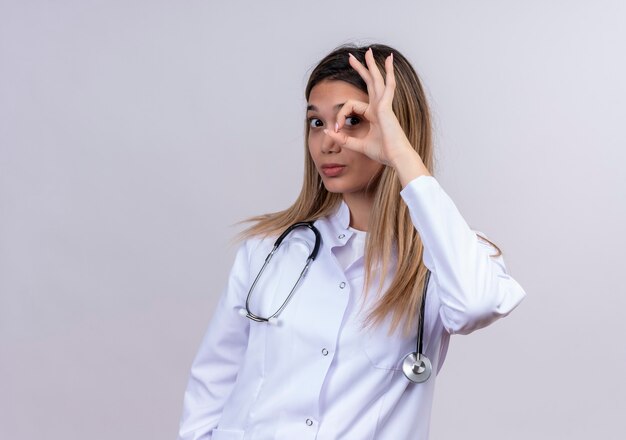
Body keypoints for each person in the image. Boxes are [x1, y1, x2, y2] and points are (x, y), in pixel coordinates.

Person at [177, 43, 526, 440]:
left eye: (354, 120)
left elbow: (475, 305)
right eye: (317, 123)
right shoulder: (268, 250)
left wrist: (401, 156)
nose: (329, 141)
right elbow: (211, 389)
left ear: (397, 128)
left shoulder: (445, 259)